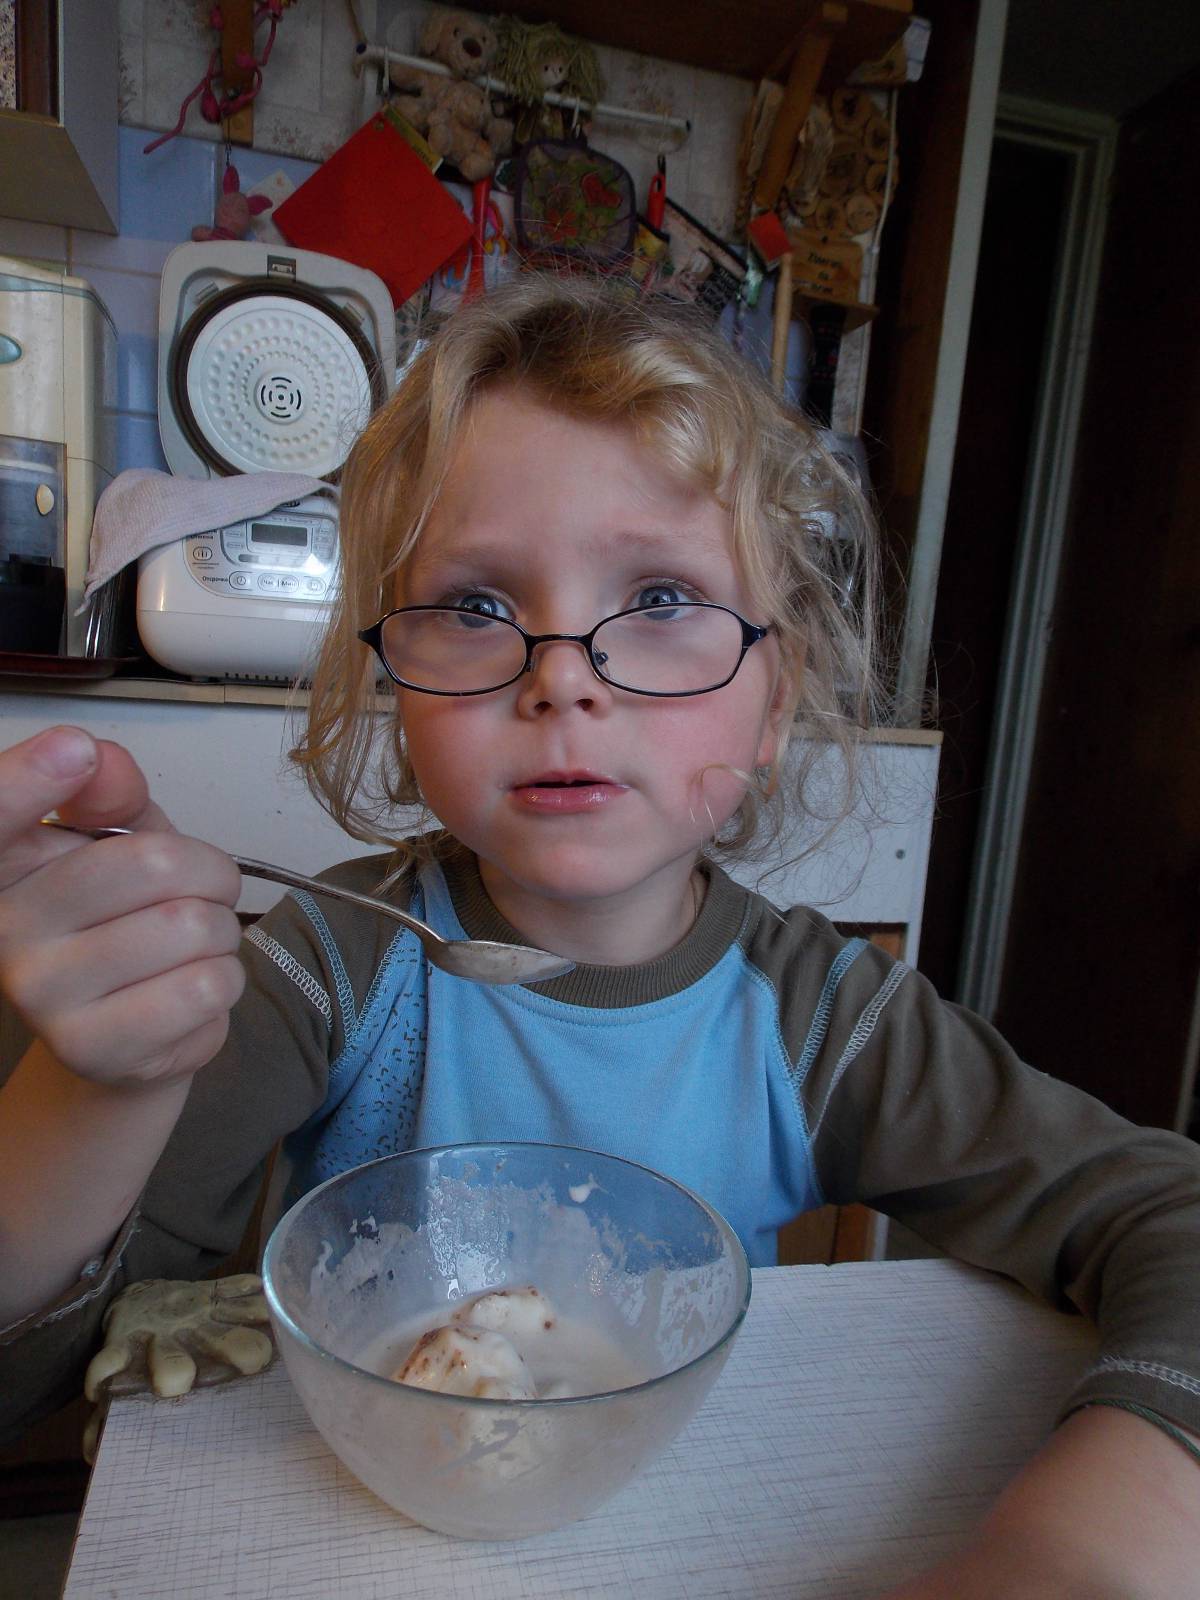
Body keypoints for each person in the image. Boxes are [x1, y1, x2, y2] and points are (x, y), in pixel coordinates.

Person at [0, 276, 1197, 1596]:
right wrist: (89, 1085)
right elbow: (31, 1384)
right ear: (395, 685)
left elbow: (1170, 1218)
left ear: (773, 701)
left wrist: (1084, 1540)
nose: (558, 672)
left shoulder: (821, 1019)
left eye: (665, 599)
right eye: (473, 606)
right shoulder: (327, 968)